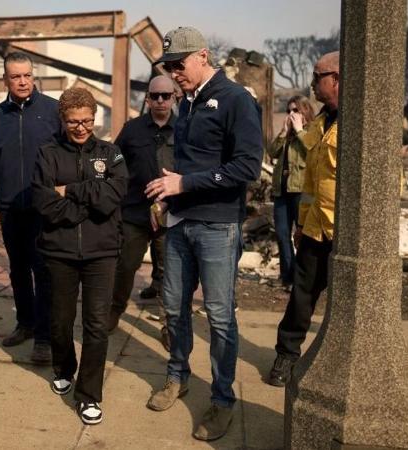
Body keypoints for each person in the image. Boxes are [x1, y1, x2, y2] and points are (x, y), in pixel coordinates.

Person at [144, 27, 264, 441]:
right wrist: (167, 196)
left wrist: (185, 185)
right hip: (180, 222)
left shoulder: (236, 100)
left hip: (217, 225)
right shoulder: (188, 103)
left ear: (203, 56)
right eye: (169, 67)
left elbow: (247, 167)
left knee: (218, 316)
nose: (174, 73)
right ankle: (177, 376)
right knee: (174, 308)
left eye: (179, 65)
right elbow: (185, 166)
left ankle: (223, 399)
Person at [32, 87, 127, 425]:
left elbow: (113, 196)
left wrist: (71, 191)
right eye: (74, 122)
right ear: (63, 120)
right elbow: (44, 202)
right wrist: (86, 207)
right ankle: (64, 367)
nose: (81, 127)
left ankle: (89, 395)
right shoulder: (46, 154)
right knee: (60, 320)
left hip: (102, 252)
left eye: (87, 120)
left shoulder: (111, 153)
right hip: (60, 250)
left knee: (96, 325)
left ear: (94, 117)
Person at [0, 52, 60, 364]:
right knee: (18, 269)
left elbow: (66, 157)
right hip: (10, 207)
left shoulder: (52, 111)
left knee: (43, 270)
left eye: (27, 75)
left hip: (43, 208)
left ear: (33, 75)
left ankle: (45, 337)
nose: (22, 81)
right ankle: (25, 323)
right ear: (5, 80)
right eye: (15, 76)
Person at [265, 51, 340, 388]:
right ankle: (287, 355)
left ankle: (340, 364)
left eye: (317, 77)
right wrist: (301, 224)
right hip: (315, 230)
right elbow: (311, 184)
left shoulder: (362, 122)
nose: (313, 85)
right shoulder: (322, 124)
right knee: (302, 294)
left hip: (347, 233)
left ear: (336, 78)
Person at [108, 75, 177, 347]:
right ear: (147, 98)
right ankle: (114, 311)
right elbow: (114, 160)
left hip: (172, 213)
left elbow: (194, 167)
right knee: (125, 265)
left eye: (166, 95)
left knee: (170, 271)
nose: (160, 100)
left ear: (174, 98)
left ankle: (170, 324)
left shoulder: (186, 129)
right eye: (155, 95)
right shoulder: (132, 129)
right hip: (135, 212)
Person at [266, 95, 315, 292]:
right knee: (282, 235)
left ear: (305, 112)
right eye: (289, 111)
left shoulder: (310, 132)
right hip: (281, 190)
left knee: (301, 236)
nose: (291, 114)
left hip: (300, 191)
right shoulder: (287, 135)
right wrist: (283, 132)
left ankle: (301, 279)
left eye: (295, 110)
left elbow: (313, 151)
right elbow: (272, 152)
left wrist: (300, 131)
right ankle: (286, 276)